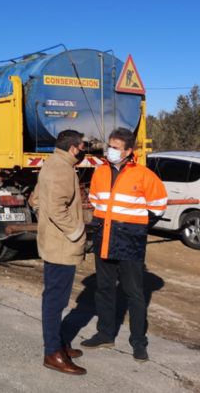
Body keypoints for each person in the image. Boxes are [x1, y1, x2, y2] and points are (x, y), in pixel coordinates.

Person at [82, 127, 167, 362]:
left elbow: (158, 206)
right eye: (109, 146)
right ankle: (105, 334)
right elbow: (96, 201)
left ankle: (138, 342)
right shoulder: (100, 172)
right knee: (104, 289)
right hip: (104, 239)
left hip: (130, 242)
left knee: (135, 294)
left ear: (129, 151)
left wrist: (137, 227)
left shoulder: (144, 175)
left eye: (116, 147)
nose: (110, 151)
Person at [35, 129, 87, 375]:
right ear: (74, 148)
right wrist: (75, 231)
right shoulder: (62, 169)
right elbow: (57, 208)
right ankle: (52, 353)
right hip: (61, 245)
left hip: (55, 241)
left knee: (57, 298)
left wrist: (43, 217)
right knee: (55, 301)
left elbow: (35, 199)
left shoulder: (52, 164)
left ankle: (60, 343)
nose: (85, 150)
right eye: (83, 146)